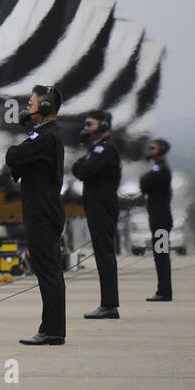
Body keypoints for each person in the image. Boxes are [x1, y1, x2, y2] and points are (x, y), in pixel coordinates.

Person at [6, 84, 67, 345]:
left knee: (48, 272)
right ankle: (52, 328)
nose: (27, 110)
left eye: (31, 105)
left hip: (41, 211)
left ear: (44, 108)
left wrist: (16, 154)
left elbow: (15, 155)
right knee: (49, 271)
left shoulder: (45, 137)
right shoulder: (45, 136)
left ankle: (52, 330)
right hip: (43, 208)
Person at [72, 109, 121, 318]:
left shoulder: (105, 149)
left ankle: (109, 305)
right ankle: (108, 303)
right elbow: (79, 167)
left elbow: (83, 171)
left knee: (104, 253)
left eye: (90, 124)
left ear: (103, 125)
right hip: (96, 204)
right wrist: (84, 150)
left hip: (102, 204)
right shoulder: (96, 148)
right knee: (102, 253)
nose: (86, 128)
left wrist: (82, 162)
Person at [139, 138, 173, 302]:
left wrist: (146, 176)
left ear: (161, 151)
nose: (150, 151)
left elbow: (145, 182)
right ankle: (163, 289)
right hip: (157, 218)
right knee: (160, 254)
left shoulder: (161, 169)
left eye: (153, 148)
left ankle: (164, 291)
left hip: (161, 220)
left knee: (161, 255)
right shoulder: (156, 168)